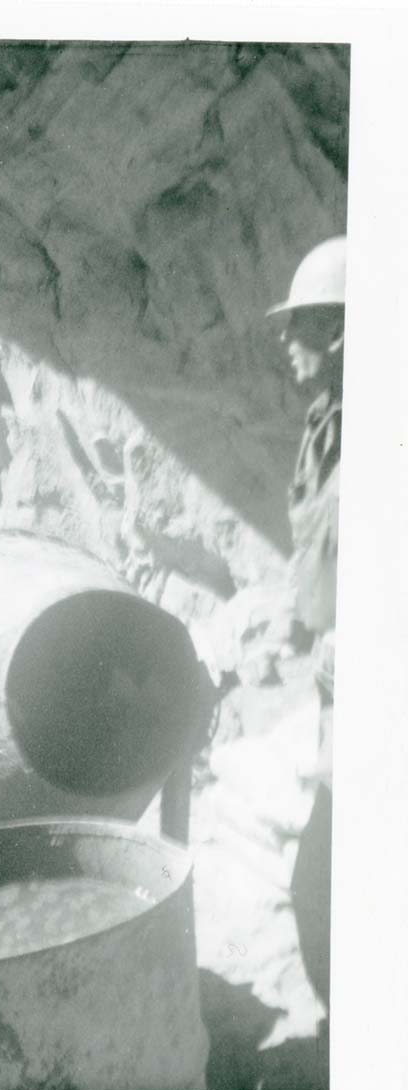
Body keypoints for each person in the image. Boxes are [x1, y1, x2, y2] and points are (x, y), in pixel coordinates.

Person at [267, 234, 344, 1010]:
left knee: (318, 887)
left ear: (345, 332)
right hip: (337, 679)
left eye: (303, 324)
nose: (287, 342)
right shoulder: (324, 428)